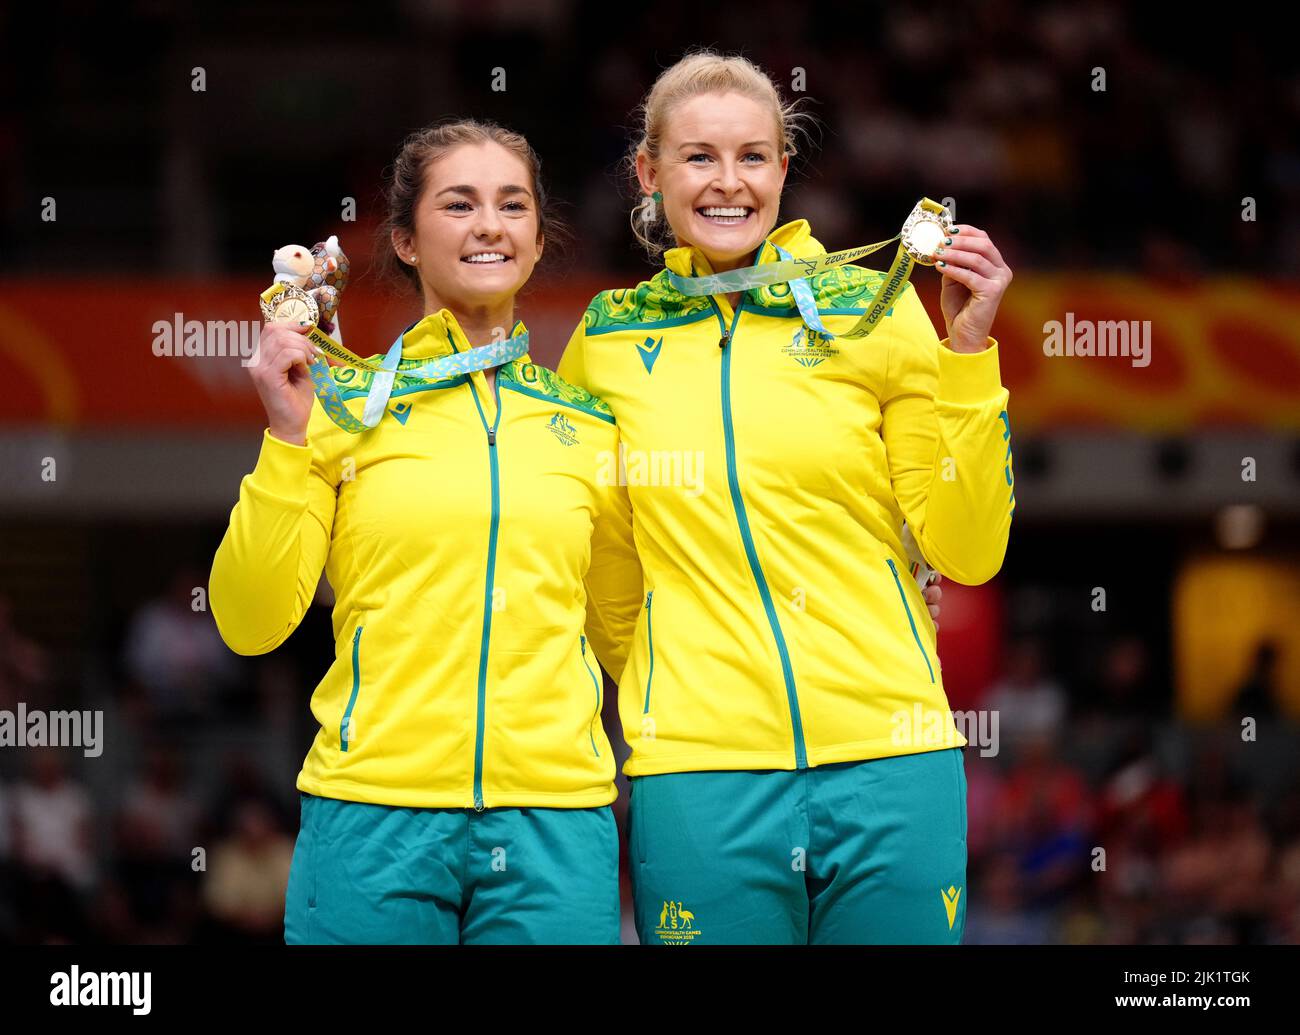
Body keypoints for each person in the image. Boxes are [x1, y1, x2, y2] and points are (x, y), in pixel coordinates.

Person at [558, 50, 1015, 944]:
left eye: (753, 156)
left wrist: (967, 356)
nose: (729, 183)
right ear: (649, 173)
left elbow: (968, 549)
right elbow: (607, 568)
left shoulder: (874, 308)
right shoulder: (607, 340)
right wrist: (669, 685)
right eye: (698, 157)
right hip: (698, 775)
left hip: (892, 760)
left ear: (783, 168)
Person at [209, 120, 642, 944]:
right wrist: (286, 437)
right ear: (405, 240)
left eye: (513, 205)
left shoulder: (588, 424)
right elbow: (249, 619)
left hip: (554, 823)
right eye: (459, 204)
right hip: (373, 815)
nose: (490, 224)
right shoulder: (339, 407)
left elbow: (628, 629)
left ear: (539, 237)